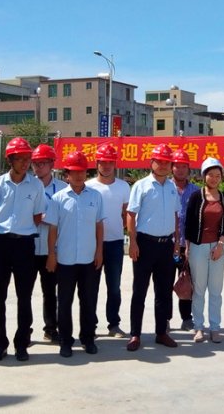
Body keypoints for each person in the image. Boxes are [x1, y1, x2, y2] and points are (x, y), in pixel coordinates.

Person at [0, 137, 44, 363]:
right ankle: (0, 344)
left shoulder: (36, 186)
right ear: (10, 159)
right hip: (0, 244)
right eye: (20, 159)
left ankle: (21, 343)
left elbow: (37, 216)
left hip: (24, 245)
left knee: (24, 296)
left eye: (28, 159)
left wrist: (21, 229)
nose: (26, 163)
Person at [45, 151, 104, 357]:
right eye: (74, 172)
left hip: (89, 258)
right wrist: (51, 255)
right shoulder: (58, 199)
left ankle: (87, 338)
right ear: (66, 175)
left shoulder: (95, 197)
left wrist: (99, 251)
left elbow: (99, 226)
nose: (78, 176)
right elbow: (52, 230)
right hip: (65, 259)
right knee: (64, 302)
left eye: (82, 172)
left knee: (88, 301)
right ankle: (65, 341)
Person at [125, 143, 180, 352]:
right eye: (160, 161)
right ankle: (135, 334)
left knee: (164, 292)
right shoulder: (141, 185)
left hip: (166, 245)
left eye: (167, 162)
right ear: (152, 162)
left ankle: (161, 333)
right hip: (145, 244)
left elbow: (175, 215)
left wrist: (176, 242)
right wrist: (133, 242)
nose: (164, 165)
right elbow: (131, 215)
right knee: (139, 291)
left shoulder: (172, 187)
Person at [184, 157, 224, 343]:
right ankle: (198, 327)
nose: (214, 178)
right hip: (198, 247)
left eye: (217, 175)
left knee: (215, 290)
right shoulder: (196, 196)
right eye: (210, 175)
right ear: (204, 176)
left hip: (217, 247)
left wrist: (221, 244)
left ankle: (215, 327)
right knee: (199, 289)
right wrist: (188, 247)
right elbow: (188, 223)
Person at [86, 142, 131, 338]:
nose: (106, 166)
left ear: (115, 164)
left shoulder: (123, 187)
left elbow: (126, 214)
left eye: (110, 162)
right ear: (97, 163)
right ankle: (90, 325)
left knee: (114, 287)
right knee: (91, 287)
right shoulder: (88, 186)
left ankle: (114, 324)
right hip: (92, 243)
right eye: (102, 162)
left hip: (115, 243)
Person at [30, 144, 66, 343]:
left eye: (43, 163)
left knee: (51, 292)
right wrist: (38, 218)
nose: (39, 167)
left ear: (52, 164)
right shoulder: (26, 185)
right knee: (24, 293)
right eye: (35, 163)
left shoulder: (62, 188)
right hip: (28, 247)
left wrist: (49, 218)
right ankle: (24, 331)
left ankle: (51, 329)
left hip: (52, 249)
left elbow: (66, 217)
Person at [170, 148, 199, 331]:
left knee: (187, 282)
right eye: (177, 166)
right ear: (171, 167)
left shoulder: (196, 191)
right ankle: (164, 319)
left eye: (184, 166)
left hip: (188, 245)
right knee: (164, 283)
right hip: (167, 244)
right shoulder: (166, 188)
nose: (180, 170)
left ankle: (187, 318)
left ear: (189, 169)